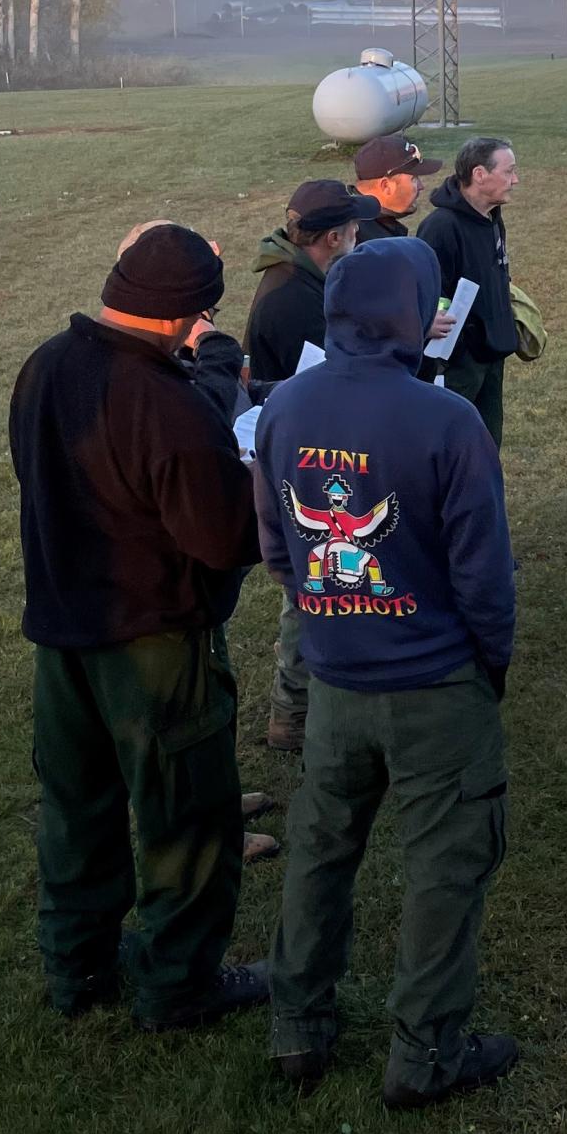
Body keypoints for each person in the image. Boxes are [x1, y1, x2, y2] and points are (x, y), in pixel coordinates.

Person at [254, 239, 520, 1105]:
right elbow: (484, 575)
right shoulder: (448, 422)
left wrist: (333, 624)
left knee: (321, 850)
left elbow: (279, 549)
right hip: (436, 683)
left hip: (335, 681)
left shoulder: (287, 405)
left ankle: (297, 1028)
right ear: (414, 309)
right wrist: (490, 665)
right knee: (445, 862)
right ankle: (426, 1055)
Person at [9, 223, 268, 1031]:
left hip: (61, 637)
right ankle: (180, 986)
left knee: (78, 811)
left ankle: (77, 967)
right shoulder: (164, 403)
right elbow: (222, 536)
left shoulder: (45, 366)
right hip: (153, 648)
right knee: (184, 819)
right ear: (183, 315)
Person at [247, 179, 382, 753]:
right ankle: (293, 714)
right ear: (332, 237)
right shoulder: (294, 299)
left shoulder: (298, 280)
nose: (359, 239)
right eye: (354, 231)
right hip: (310, 459)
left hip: (307, 452)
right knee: (308, 590)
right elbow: (322, 378)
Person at [417, 136, 521, 448]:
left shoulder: (491, 217)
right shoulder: (440, 227)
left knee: (488, 445)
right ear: (479, 174)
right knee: (454, 446)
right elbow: (428, 292)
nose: (515, 180)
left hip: (492, 354)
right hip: (460, 363)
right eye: (508, 172)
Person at [246, 180, 382, 388]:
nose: (357, 230)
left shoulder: (303, 275)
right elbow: (335, 377)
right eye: (353, 223)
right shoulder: (292, 300)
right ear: (334, 238)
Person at [352, 134, 444, 246]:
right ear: (385, 186)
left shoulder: (368, 227)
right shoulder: (363, 244)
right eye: (414, 179)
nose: (421, 186)